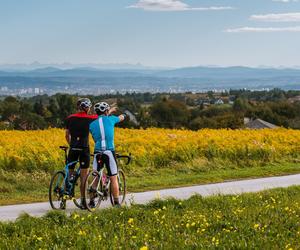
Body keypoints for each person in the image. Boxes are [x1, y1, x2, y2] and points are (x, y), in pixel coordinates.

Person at [89, 102, 126, 207]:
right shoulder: (111, 119)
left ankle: (91, 202)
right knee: (113, 177)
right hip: (109, 151)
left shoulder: (91, 125)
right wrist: (125, 115)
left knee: (96, 176)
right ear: (106, 111)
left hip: (97, 151)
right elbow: (121, 118)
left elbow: (96, 134)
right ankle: (116, 202)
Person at [65, 98, 98, 209]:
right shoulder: (91, 118)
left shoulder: (70, 118)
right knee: (84, 176)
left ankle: (67, 188)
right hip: (84, 149)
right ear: (87, 107)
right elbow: (102, 117)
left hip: (73, 148)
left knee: (70, 171)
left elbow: (67, 136)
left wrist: (72, 145)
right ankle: (83, 201)